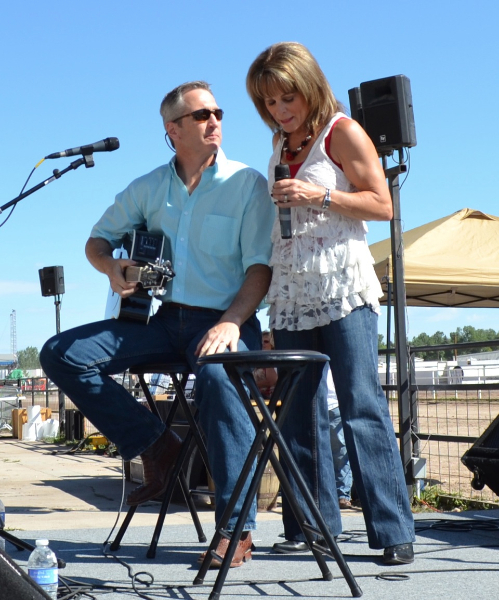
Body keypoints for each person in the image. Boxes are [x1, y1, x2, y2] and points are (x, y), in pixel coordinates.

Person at [40, 80, 275, 568]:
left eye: (218, 112)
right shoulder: (148, 188)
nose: (215, 121)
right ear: (173, 129)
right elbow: (96, 241)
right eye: (202, 115)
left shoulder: (247, 183)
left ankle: (235, 529)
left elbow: (260, 267)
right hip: (162, 321)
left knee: (218, 379)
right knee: (61, 354)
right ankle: (156, 445)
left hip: (227, 321)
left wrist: (232, 322)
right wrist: (112, 267)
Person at [246, 42, 415, 564]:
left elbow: (382, 204)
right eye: (270, 102)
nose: (280, 110)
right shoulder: (279, 142)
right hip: (293, 292)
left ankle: (393, 530)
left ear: (309, 86)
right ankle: (312, 525)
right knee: (299, 410)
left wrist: (318, 195)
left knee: (361, 404)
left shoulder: (342, 131)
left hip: (343, 289)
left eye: (287, 97)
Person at [326, 370, 353, 510]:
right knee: (340, 452)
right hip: (332, 403)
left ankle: (342, 494)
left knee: (340, 451)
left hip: (333, 403)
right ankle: (341, 494)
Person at [253, 330, 278, 397]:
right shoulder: (257, 359)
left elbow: (272, 380)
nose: (263, 344)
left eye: (266, 341)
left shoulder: (272, 359)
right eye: (261, 342)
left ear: (272, 344)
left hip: (268, 397)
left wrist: (251, 385)